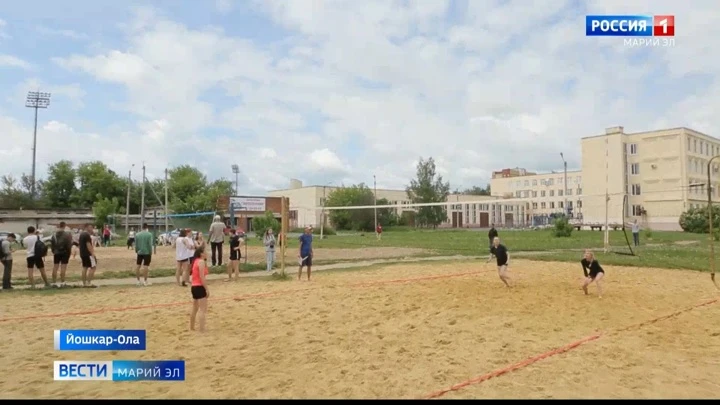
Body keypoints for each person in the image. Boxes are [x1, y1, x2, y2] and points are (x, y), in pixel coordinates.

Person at [190, 245, 209, 332]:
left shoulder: (196, 261)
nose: (207, 253)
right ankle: (202, 329)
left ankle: (192, 327)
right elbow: (202, 277)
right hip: (199, 286)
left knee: (195, 308)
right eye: (205, 251)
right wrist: (207, 289)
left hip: (194, 286)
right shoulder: (201, 262)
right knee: (202, 309)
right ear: (201, 253)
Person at [51, 221, 73, 287]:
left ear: (59, 225)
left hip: (56, 252)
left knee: (55, 267)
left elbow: (52, 244)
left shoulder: (54, 235)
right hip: (65, 252)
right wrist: (69, 252)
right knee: (63, 267)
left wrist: (54, 251)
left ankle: (54, 282)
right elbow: (69, 245)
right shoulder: (67, 235)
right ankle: (62, 282)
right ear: (64, 226)